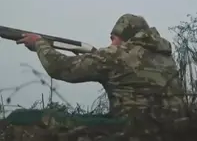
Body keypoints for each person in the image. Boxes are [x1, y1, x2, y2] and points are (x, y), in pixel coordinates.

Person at [17, 13, 184, 122]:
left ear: (126, 36)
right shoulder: (167, 58)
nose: (111, 44)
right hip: (172, 128)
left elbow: (59, 67)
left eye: (113, 38)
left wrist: (39, 44)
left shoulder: (115, 55)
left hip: (134, 131)